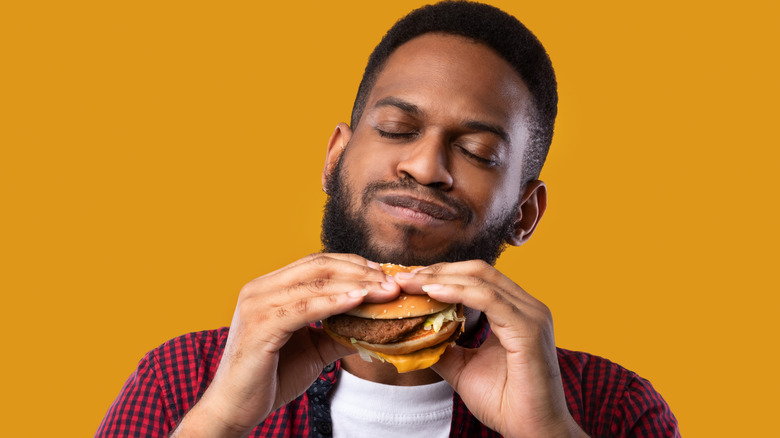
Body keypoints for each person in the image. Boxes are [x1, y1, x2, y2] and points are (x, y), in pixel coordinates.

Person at [97, 2, 679, 437]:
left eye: (476, 152)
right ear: (334, 158)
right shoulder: (184, 380)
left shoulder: (611, 407)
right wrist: (220, 422)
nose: (425, 166)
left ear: (524, 213)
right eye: (397, 130)